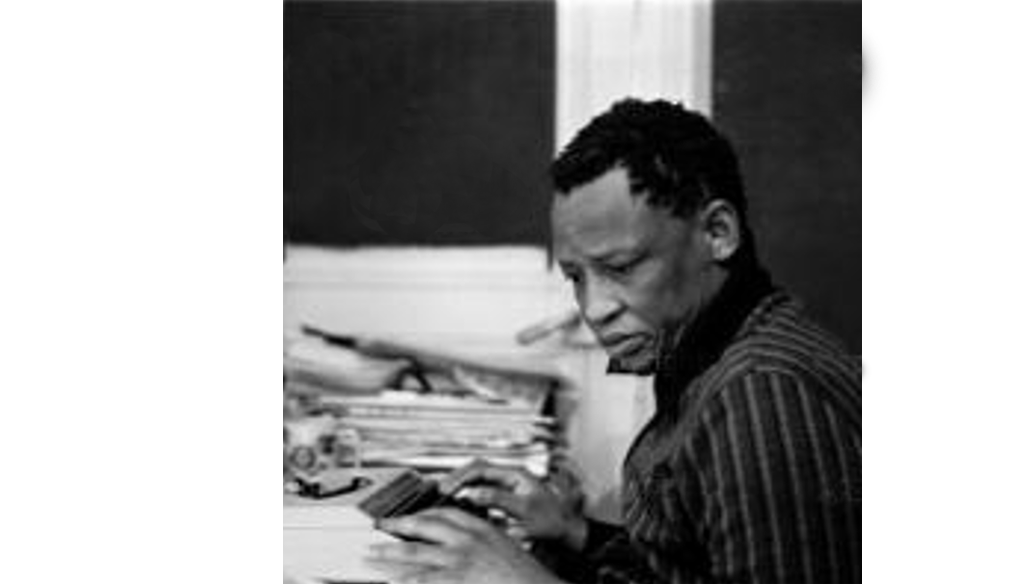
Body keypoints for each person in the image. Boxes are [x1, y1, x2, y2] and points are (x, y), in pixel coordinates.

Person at [366, 99, 869, 584]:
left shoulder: (764, 395)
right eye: (576, 277)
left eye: (621, 267)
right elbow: (688, 567)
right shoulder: (714, 355)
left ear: (717, 232)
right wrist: (575, 532)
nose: (594, 308)